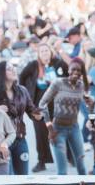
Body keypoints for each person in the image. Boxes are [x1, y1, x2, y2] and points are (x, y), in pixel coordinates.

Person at [19, 43, 68, 172]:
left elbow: (69, 75)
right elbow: (22, 77)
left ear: (51, 52)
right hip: (39, 106)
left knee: (61, 131)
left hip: (58, 105)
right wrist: (25, 94)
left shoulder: (59, 63)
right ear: (39, 54)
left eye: (47, 50)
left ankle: (68, 156)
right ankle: (42, 161)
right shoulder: (33, 65)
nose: (45, 53)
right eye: (42, 51)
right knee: (40, 133)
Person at [39, 58, 91, 175]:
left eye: (79, 70)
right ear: (68, 70)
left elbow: (87, 106)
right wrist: (50, 127)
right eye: (73, 69)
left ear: (82, 73)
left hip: (74, 128)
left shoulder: (81, 86)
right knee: (62, 171)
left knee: (82, 167)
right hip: (57, 130)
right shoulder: (58, 83)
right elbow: (42, 104)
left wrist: (91, 104)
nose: (76, 72)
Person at [0, 61, 43, 175]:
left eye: (13, 67)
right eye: (9, 68)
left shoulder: (22, 91)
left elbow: (31, 110)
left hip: (20, 139)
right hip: (1, 142)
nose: (13, 70)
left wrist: (38, 115)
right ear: (1, 73)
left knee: (23, 178)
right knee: (7, 178)